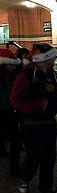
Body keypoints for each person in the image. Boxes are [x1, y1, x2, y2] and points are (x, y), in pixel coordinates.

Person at [10, 44, 57, 193]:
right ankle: (24, 178)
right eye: (52, 57)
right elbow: (14, 100)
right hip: (32, 125)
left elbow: (53, 93)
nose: (54, 60)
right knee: (34, 157)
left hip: (49, 124)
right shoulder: (25, 75)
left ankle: (46, 186)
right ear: (43, 59)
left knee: (50, 156)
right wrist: (37, 106)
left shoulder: (50, 73)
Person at [0, 48, 21, 177]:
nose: (13, 67)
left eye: (15, 65)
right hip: (2, 113)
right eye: (10, 65)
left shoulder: (13, 78)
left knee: (16, 141)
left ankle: (14, 168)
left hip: (11, 113)